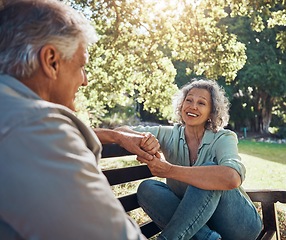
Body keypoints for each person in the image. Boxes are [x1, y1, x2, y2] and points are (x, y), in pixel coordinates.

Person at [0, 1, 159, 239]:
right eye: (81, 66)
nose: (84, 80)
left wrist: (115, 135)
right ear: (51, 60)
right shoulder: (37, 128)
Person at [117, 79, 262, 240]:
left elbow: (232, 177)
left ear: (211, 112)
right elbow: (121, 132)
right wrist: (142, 140)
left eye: (201, 103)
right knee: (147, 187)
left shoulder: (223, 137)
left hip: (239, 227)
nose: (193, 106)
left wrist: (169, 170)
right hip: (198, 227)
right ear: (181, 105)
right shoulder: (169, 134)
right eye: (189, 100)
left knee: (209, 173)